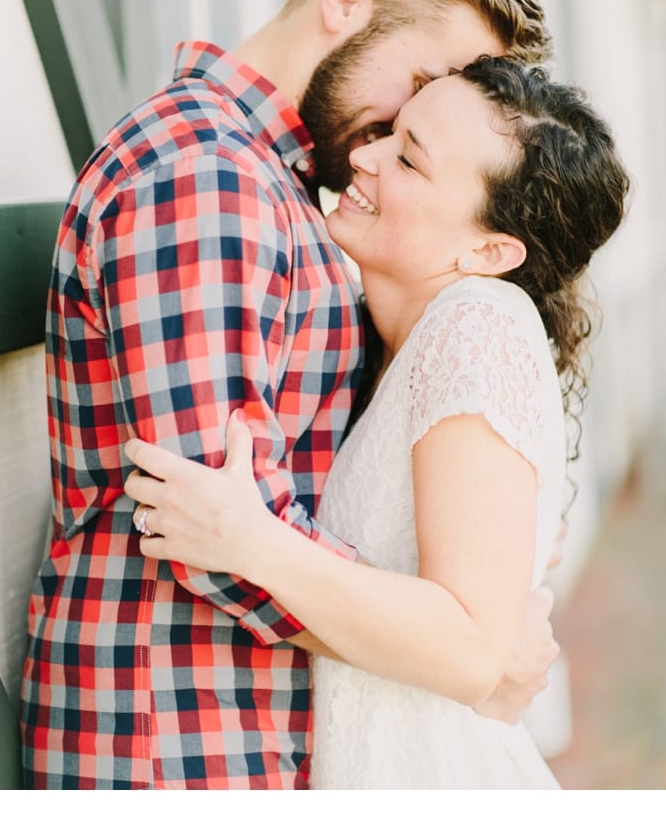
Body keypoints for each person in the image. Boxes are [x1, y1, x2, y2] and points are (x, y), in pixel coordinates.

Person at [20, 0, 559, 789]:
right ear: (344, 0)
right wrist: (465, 637)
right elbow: (208, 527)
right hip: (172, 738)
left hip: (226, 726)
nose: (412, 123)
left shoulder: (269, 182)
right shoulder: (208, 179)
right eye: (424, 82)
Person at [123, 59, 629, 786]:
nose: (363, 156)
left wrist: (251, 541)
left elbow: (468, 647)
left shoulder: (476, 328)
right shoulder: (403, 337)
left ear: (488, 250)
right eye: (391, 132)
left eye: (409, 159)